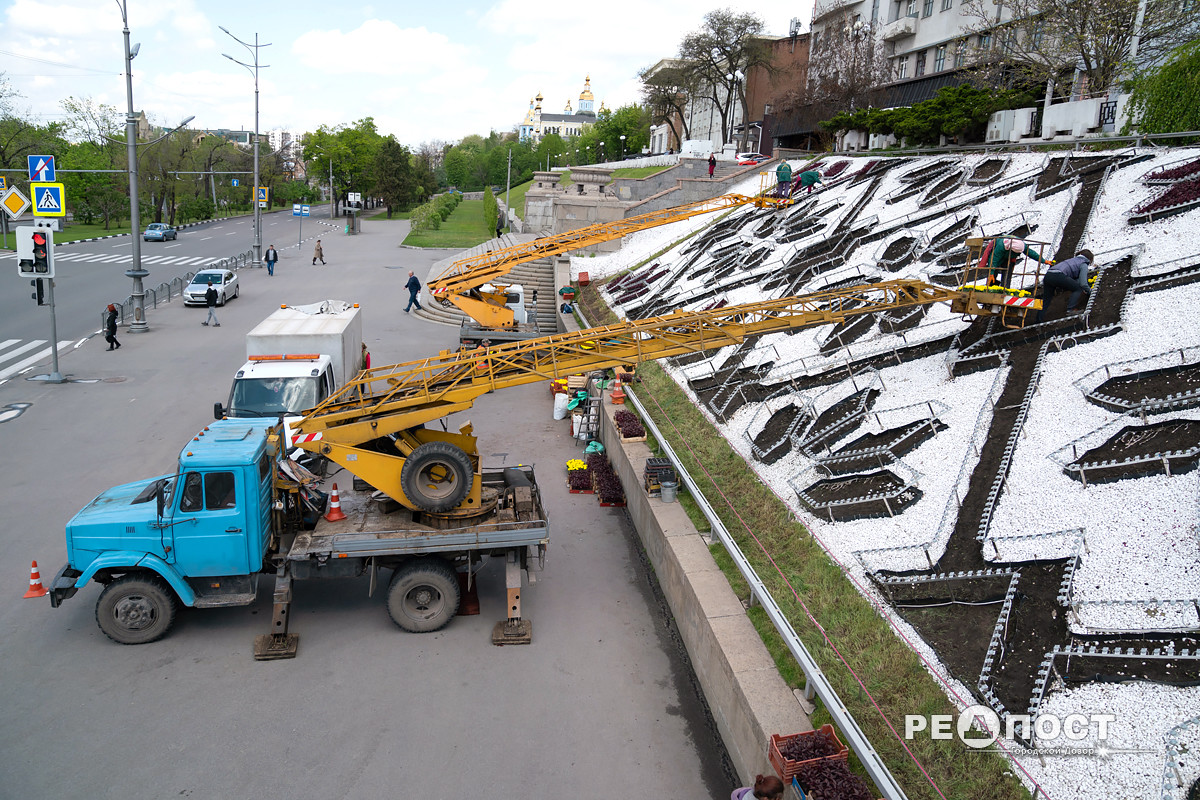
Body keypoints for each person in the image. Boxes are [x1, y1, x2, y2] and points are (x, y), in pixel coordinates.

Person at [1036, 249, 1092, 323]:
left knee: (1046, 299)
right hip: (1058, 275)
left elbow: (1075, 278)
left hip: (1049, 275)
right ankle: (1070, 310)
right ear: (1089, 258)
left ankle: (1038, 320)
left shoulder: (1073, 260)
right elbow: (1083, 283)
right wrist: (1089, 291)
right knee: (1077, 289)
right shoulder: (1083, 264)